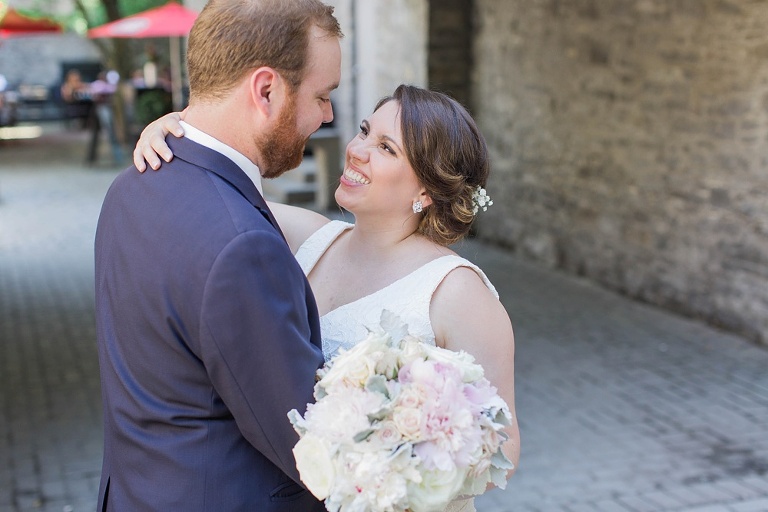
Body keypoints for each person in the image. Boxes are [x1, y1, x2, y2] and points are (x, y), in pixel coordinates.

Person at [135, 84, 520, 512]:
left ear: (426, 191)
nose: (357, 149)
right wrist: (171, 130)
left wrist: (389, 459)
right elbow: (210, 190)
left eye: (386, 148)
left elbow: (501, 445)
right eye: (364, 131)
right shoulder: (307, 238)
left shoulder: (456, 292)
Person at [94, 0, 342, 510]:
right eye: (322, 95)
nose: (329, 115)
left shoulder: (131, 186)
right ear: (266, 89)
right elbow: (309, 443)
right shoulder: (241, 247)